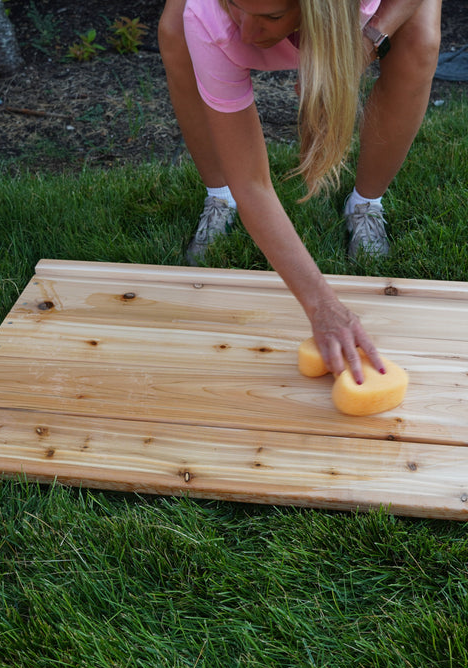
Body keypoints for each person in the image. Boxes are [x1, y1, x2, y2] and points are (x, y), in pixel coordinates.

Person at [158, 0, 443, 383]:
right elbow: (253, 184)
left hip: (358, 17)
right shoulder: (211, 17)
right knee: (178, 32)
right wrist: (322, 306)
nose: (247, 32)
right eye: (237, 6)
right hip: (218, 17)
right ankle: (219, 197)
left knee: (419, 39)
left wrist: (365, 42)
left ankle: (366, 204)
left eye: (271, 17)